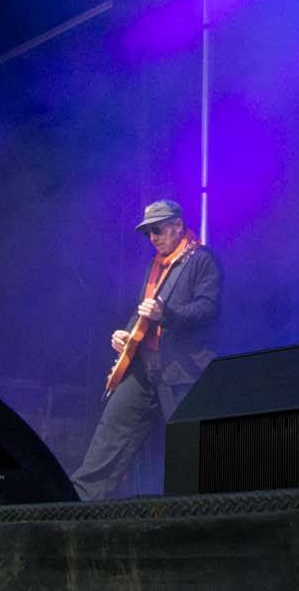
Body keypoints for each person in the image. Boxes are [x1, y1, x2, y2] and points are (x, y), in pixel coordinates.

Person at [70, 199, 222, 501]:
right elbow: (144, 313)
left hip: (181, 369)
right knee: (110, 435)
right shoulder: (156, 266)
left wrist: (167, 314)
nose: (152, 238)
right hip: (144, 367)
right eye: (148, 233)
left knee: (191, 445)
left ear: (177, 225)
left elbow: (208, 310)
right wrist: (127, 335)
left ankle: (205, 508)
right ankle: (79, 503)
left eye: (157, 230)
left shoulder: (201, 260)